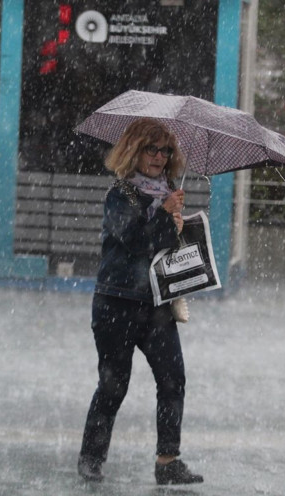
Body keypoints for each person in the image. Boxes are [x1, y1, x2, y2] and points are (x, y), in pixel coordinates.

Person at [77, 117, 204, 486]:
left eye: (165, 150)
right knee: (113, 385)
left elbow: (164, 247)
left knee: (173, 378)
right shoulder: (121, 194)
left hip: (156, 304)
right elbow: (135, 241)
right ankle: (91, 458)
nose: (159, 157)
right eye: (152, 149)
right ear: (134, 150)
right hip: (116, 302)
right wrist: (164, 214)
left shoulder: (169, 193)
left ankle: (168, 461)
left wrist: (179, 224)